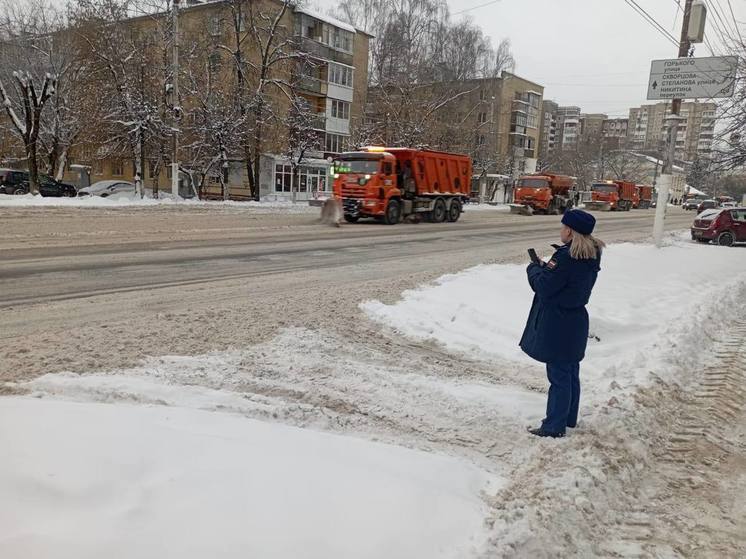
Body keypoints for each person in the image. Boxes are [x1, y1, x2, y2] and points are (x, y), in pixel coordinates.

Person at [519, 209, 605, 438]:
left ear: (570, 231)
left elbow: (545, 288)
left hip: (558, 322)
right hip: (575, 320)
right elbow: (564, 280)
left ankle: (553, 426)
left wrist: (534, 268)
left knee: (558, 375)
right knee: (569, 372)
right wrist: (548, 269)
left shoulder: (566, 257)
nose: (561, 230)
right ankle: (568, 419)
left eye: (562, 226)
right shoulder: (591, 253)